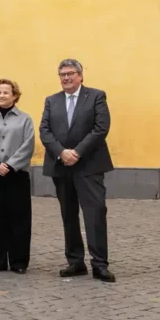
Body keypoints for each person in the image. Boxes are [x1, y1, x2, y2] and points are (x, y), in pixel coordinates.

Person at [39, 59, 115, 283]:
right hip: (61, 166)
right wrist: (62, 152)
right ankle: (75, 261)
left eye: (71, 73)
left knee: (95, 214)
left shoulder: (96, 96)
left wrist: (78, 152)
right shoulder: (51, 101)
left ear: (81, 75)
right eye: (62, 74)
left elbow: (101, 128)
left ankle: (100, 264)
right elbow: (45, 131)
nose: (66, 78)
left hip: (89, 166)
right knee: (68, 215)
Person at [0, 79, 35, 274]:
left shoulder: (25, 120)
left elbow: (28, 145)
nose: (1, 95)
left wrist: (10, 165)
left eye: (6, 92)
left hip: (16, 175)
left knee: (19, 218)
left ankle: (18, 262)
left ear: (15, 96)